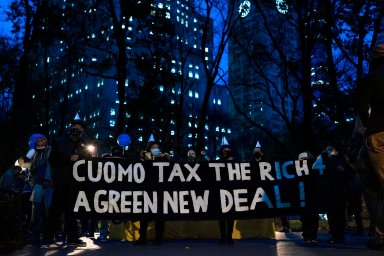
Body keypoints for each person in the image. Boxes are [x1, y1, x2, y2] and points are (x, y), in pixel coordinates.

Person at [43, 114, 90, 247]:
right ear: (70, 127)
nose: (77, 129)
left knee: (73, 210)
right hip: (61, 180)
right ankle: (48, 235)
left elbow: (87, 161)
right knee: (56, 209)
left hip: (75, 182)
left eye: (80, 127)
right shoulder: (59, 141)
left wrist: (81, 158)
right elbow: (52, 160)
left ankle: (72, 237)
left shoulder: (83, 144)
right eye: (75, 126)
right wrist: (68, 158)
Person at [355, 44, 384, 250]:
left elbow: (362, 107)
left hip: (378, 134)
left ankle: (380, 234)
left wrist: (367, 124)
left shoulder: (370, 80)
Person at [134, 134, 169, 246]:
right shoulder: (143, 159)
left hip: (159, 192)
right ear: (149, 149)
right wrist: (146, 159)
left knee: (159, 216)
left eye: (157, 147)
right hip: (146, 191)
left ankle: (159, 238)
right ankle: (142, 237)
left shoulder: (163, 158)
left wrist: (167, 159)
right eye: (153, 147)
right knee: (144, 216)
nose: (155, 149)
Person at [322, 144, 355, 244]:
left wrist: (343, 171)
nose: (329, 151)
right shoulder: (327, 161)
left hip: (340, 192)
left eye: (331, 149)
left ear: (337, 151)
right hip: (330, 191)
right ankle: (335, 235)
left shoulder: (342, 162)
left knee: (339, 214)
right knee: (332, 214)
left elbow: (351, 174)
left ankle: (338, 235)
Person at [27, 135, 53, 245]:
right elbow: (31, 169)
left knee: (47, 211)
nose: (40, 145)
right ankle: (37, 234)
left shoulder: (49, 152)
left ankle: (48, 235)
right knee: (36, 211)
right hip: (38, 186)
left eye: (42, 143)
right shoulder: (34, 155)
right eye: (38, 143)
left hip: (48, 185)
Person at [298, 151, 319, 243]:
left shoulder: (314, 169)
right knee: (307, 217)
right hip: (306, 197)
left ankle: (310, 235)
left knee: (311, 217)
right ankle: (308, 235)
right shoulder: (313, 168)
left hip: (311, 196)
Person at [217, 137, 235, 245]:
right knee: (222, 217)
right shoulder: (217, 163)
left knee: (231, 216)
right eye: (224, 150)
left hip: (232, 193)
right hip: (220, 194)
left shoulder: (235, 162)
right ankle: (223, 237)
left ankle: (229, 237)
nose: (226, 152)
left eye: (227, 150)